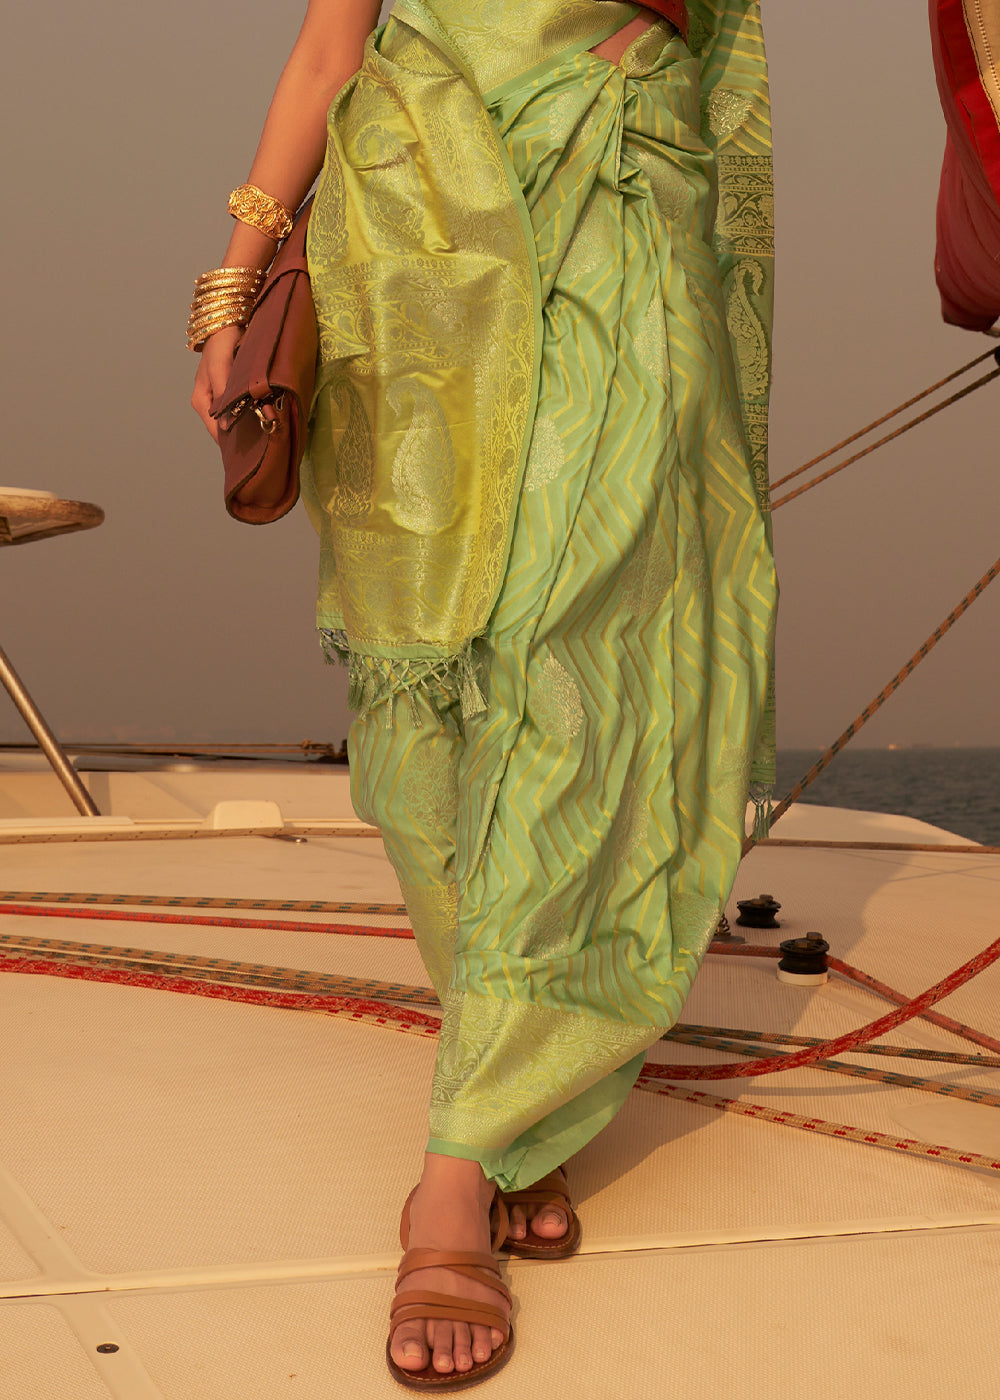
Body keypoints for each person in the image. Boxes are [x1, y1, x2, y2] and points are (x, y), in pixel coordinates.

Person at [191, 0, 777, 1387]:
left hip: (627, 204)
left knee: (578, 665)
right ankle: (521, 1107)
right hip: (417, 235)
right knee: (427, 698)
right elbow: (332, 46)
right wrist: (235, 287)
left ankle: (454, 1174)